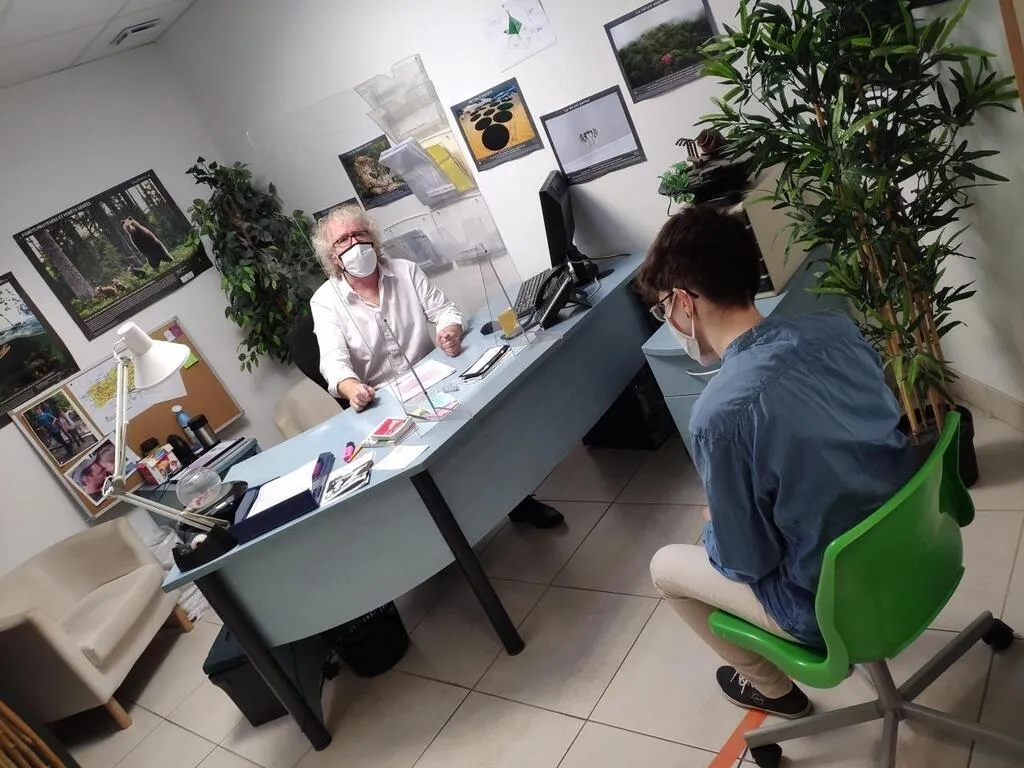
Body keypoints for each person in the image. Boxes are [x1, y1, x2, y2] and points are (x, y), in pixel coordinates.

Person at [640, 206, 918, 719]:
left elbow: (747, 561)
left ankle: (773, 690)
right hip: (919, 544)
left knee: (665, 566)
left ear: (683, 302)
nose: (670, 321)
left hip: (828, 607)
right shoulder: (836, 330)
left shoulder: (718, 416)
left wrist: (717, 527)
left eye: (663, 309)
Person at [309, 206, 563, 528]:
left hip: (434, 377)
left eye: (360, 234)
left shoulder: (405, 270)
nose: (354, 243)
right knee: (425, 466)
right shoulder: (326, 301)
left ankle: (518, 499)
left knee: (481, 425)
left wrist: (449, 332)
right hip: (384, 399)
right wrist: (352, 389)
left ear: (372, 238)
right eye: (343, 240)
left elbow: (445, 311)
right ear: (333, 256)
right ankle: (450, 526)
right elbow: (333, 363)